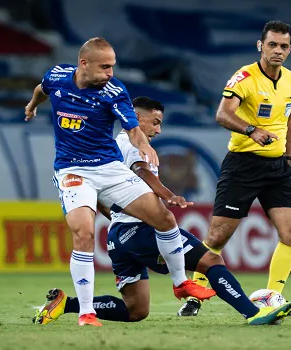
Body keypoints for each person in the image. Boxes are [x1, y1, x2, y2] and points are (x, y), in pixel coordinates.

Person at [32, 96, 291, 326]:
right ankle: (254, 313)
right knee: (211, 261)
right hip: (143, 231)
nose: (158, 129)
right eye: (155, 122)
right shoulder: (131, 143)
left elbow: (99, 198)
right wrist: (168, 195)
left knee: (136, 310)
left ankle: (66, 304)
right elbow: (141, 170)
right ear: (136, 118)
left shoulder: (107, 150)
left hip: (118, 237)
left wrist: (118, 219)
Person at [24, 38, 215, 327]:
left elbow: (133, 129)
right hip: (72, 170)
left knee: (163, 217)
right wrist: (32, 105)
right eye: (105, 67)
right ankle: (86, 312)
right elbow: (41, 89)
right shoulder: (57, 76)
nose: (111, 73)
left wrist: (144, 146)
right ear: (84, 64)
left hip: (109, 168)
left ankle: (180, 283)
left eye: (112, 66)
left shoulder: (114, 91)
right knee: (85, 234)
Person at [179, 20, 291, 317]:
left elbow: (289, 119)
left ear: (290, 49)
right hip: (243, 166)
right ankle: (196, 295)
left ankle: (274, 297)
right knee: (219, 235)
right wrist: (252, 130)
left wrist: (288, 157)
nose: (278, 51)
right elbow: (222, 114)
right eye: (272, 44)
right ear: (260, 45)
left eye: (283, 46)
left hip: (277, 169)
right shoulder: (245, 77)